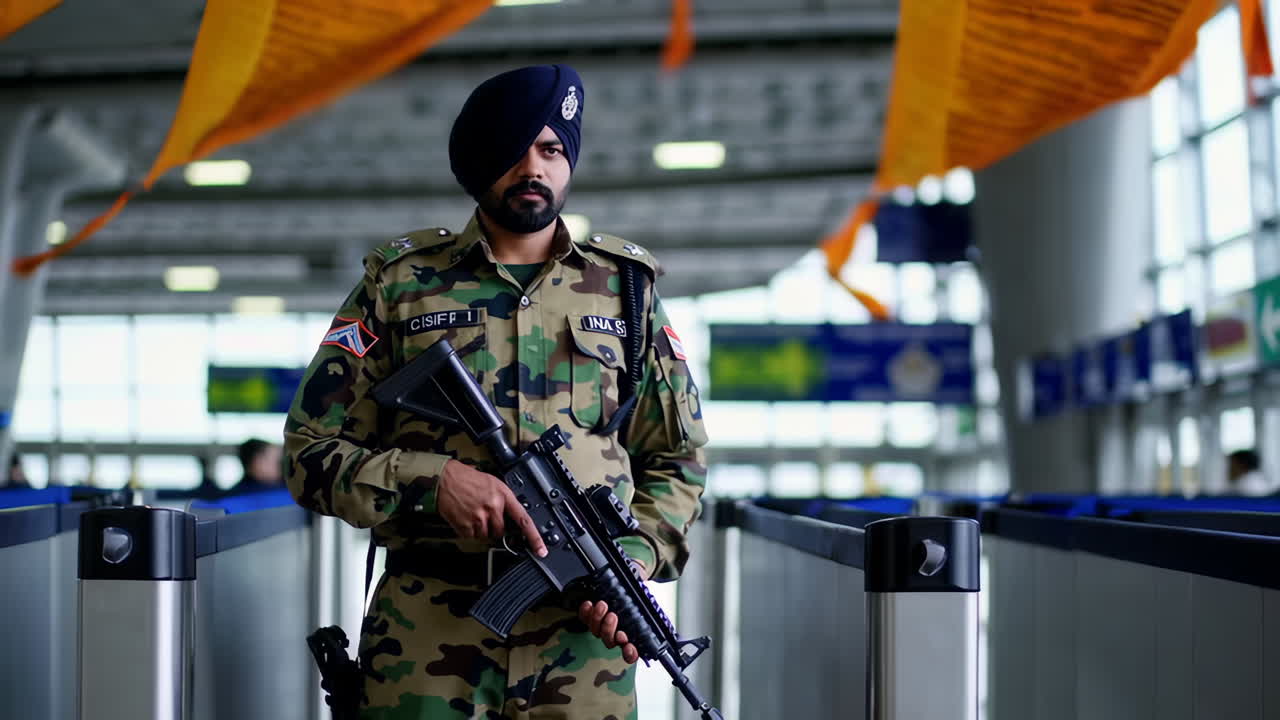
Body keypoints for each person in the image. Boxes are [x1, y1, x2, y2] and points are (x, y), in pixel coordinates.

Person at [284, 64, 708, 719]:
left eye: (553, 150)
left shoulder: (625, 291)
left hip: (582, 650)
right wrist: (431, 480)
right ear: (480, 159)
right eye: (516, 149)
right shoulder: (400, 284)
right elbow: (308, 453)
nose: (535, 167)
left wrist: (637, 553)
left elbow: (676, 458)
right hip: (427, 637)